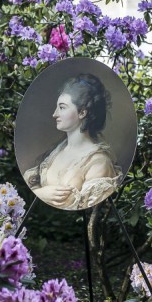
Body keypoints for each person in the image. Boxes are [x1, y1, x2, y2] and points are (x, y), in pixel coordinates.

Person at [23, 74, 123, 210]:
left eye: (62, 107)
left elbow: (89, 209)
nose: (54, 114)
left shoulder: (98, 162)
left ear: (82, 113)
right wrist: (40, 193)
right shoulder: (57, 151)